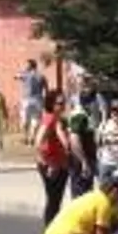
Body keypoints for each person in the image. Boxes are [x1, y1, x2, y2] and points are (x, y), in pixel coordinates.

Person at [34, 89, 72, 225]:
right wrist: (47, 163)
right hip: (51, 164)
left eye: (64, 103)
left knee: (56, 200)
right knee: (53, 200)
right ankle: (50, 229)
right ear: (51, 104)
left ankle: (53, 229)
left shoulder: (59, 119)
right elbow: (38, 141)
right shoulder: (49, 118)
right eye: (59, 103)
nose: (62, 106)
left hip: (61, 164)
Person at [65, 92, 98, 197]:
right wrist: (83, 161)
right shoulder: (79, 115)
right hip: (80, 160)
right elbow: (74, 139)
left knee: (86, 192)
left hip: (86, 158)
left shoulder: (86, 113)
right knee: (80, 193)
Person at [17, 60, 47, 146]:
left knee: (24, 120)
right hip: (38, 99)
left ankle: (26, 137)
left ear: (30, 66)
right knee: (35, 119)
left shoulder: (25, 74)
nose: (25, 66)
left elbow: (16, 76)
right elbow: (45, 88)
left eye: (26, 65)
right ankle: (32, 137)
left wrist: (22, 73)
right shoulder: (41, 76)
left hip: (27, 99)